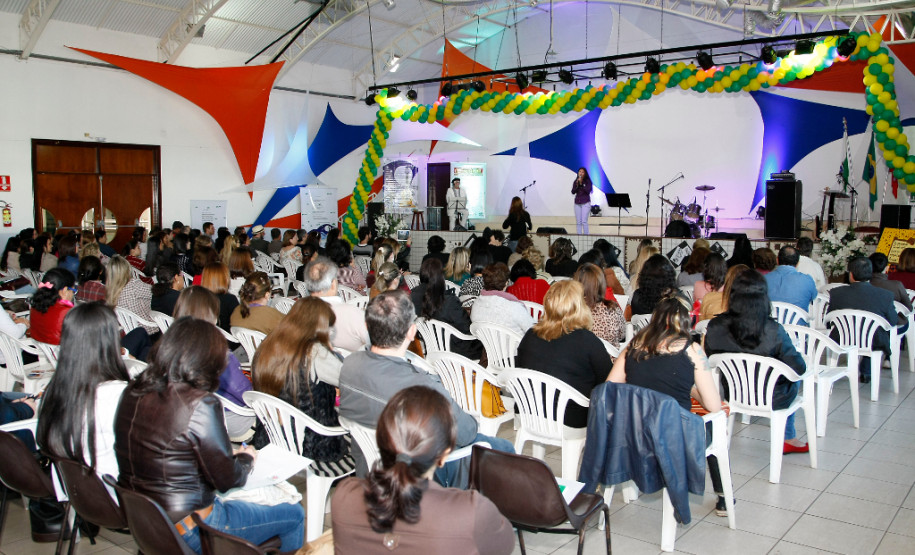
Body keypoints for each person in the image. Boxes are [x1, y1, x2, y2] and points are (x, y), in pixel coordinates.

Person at [114, 318, 305, 553]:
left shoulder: (132, 391)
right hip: (194, 527)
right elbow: (227, 480)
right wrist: (245, 459)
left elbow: (165, 452)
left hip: (145, 520)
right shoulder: (200, 403)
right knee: (294, 513)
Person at [338, 290, 514, 487]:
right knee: (503, 447)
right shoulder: (422, 387)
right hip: (416, 477)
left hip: (371, 470)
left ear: (367, 326)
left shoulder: (348, 366)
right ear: (412, 332)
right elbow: (467, 433)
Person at [332, 386, 514, 555]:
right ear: (444, 456)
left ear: (381, 440)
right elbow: (504, 545)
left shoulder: (344, 496)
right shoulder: (471, 512)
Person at [607, 296, 728, 516]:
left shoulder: (634, 345)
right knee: (712, 425)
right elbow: (714, 406)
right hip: (673, 438)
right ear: (684, 323)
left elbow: (609, 388)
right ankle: (723, 498)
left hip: (632, 434)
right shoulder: (691, 350)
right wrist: (692, 390)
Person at [704, 269, 809, 454]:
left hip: (734, 393)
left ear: (732, 295)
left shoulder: (715, 326)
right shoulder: (773, 330)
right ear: (764, 296)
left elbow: (711, 360)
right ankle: (789, 436)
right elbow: (799, 367)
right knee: (794, 378)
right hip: (773, 397)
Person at [36, 303, 130, 498]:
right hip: (115, 497)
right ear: (109, 341)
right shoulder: (116, 395)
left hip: (75, 493)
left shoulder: (53, 390)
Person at [252, 297, 349, 465]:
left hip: (270, 438)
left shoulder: (267, 344)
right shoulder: (315, 353)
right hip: (313, 446)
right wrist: (333, 354)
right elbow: (347, 378)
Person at [516, 281, 611, 428]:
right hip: (570, 419)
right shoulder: (587, 341)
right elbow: (608, 382)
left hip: (530, 412)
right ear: (579, 306)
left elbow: (520, 370)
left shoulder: (530, 335)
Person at [175, 286, 254, 441]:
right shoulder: (217, 354)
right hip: (231, 422)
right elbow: (246, 394)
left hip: (191, 421)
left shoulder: (172, 349)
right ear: (210, 317)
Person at [828, 257, 898, 384]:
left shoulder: (836, 293)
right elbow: (893, 321)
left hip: (843, 338)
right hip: (873, 341)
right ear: (870, 274)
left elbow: (829, 320)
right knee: (874, 332)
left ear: (851, 274)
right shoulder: (885, 295)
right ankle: (866, 371)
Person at [412, 258, 483, 359]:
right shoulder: (449, 302)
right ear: (441, 277)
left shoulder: (412, 296)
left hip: (429, 345)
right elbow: (466, 329)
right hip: (454, 351)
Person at [303, 257, 370, 351]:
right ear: (333, 283)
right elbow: (373, 343)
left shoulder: (298, 311)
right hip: (351, 363)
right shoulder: (352, 313)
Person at [470, 262, 534, 336]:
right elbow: (533, 331)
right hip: (516, 346)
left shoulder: (476, 305)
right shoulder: (514, 308)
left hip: (489, 346)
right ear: (506, 283)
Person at [575, 263, 626, 346]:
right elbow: (622, 334)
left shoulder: (573, 310)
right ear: (602, 283)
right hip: (610, 357)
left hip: (581, 357)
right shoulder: (612, 308)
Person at [106, 255, 157, 334]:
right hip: (150, 330)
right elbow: (156, 292)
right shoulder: (134, 285)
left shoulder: (110, 293)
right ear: (126, 269)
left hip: (132, 333)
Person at [765, 246, 817, 314]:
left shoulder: (763, 279)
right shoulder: (807, 280)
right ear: (798, 263)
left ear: (777, 260)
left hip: (770, 323)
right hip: (798, 324)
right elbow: (813, 297)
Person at [30, 268, 76, 345]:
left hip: (40, 352)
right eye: (73, 291)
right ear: (64, 291)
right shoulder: (68, 313)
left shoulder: (35, 305)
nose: (72, 295)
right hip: (61, 354)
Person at [571, 167, 593, 234]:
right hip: (577, 203)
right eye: (579, 171)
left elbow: (588, 191)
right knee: (578, 222)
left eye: (582, 172)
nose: (580, 173)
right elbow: (573, 191)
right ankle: (579, 236)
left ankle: (586, 236)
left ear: (585, 173)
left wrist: (582, 184)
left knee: (584, 221)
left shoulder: (588, 181)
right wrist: (577, 185)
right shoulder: (576, 181)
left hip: (585, 202)